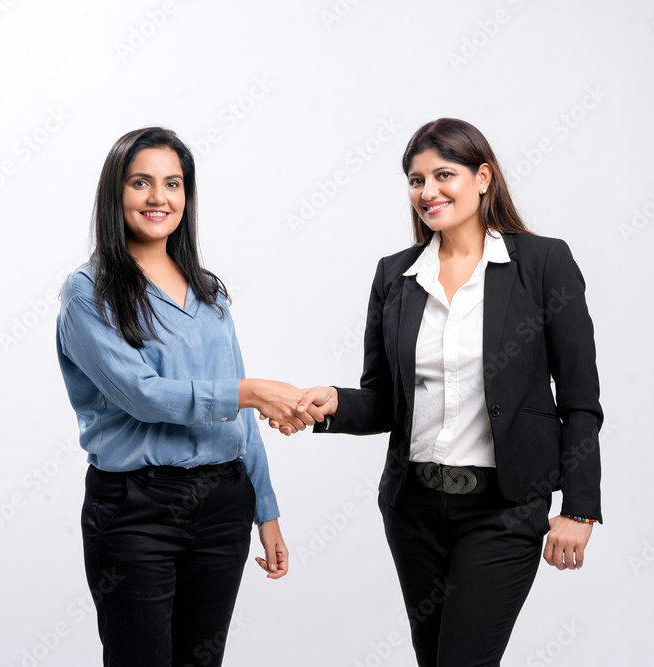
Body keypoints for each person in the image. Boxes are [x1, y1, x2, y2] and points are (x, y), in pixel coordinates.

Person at [265, 118, 603, 666]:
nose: (428, 191)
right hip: (413, 507)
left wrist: (580, 509)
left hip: (504, 508)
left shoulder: (542, 264)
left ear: (483, 177)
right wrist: (327, 402)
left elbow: (581, 399)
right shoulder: (395, 276)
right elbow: (383, 399)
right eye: (415, 179)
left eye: (443, 174)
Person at [56, 127, 306, 667]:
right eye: (141, 183)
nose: (158, 198)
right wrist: (251, 391)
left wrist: (266, 510)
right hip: (136, 511)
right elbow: (144, 396)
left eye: (173, 184)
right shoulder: (87, 291)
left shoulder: (208, 289)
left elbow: (242, 417)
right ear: (114, 193)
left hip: (222, 506)